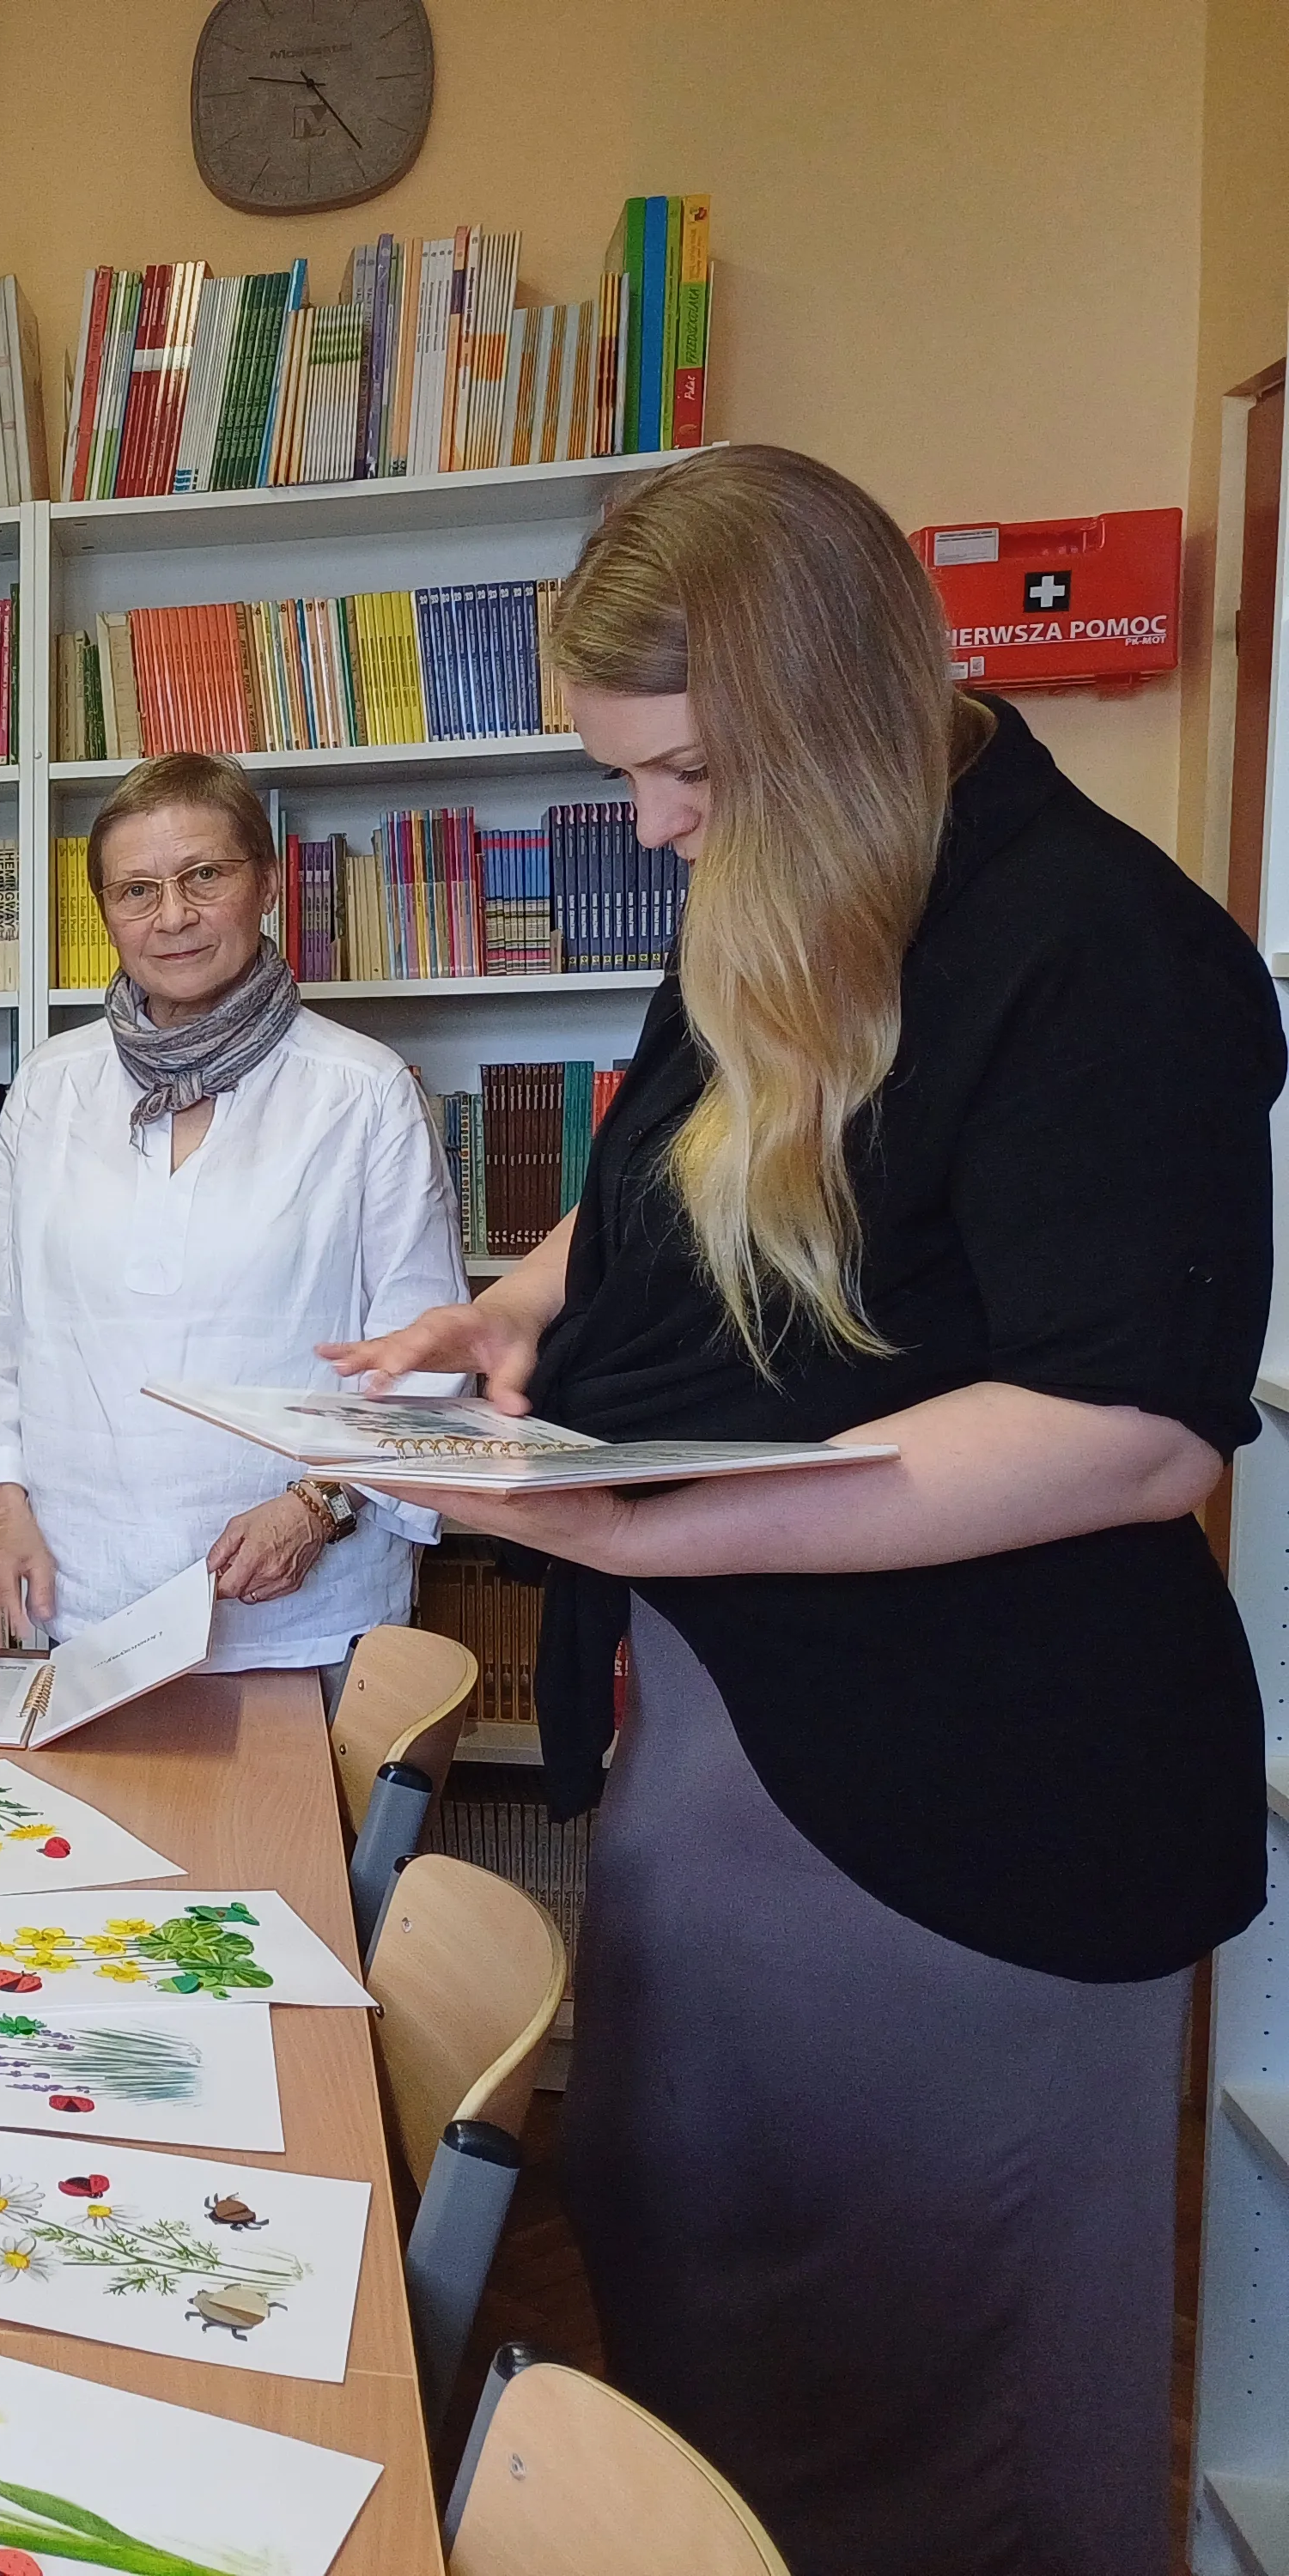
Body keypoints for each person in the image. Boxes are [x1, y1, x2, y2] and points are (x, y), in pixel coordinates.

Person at [329, 444, 1280, 2576]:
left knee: (927, 2400)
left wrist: (649, 1530)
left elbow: (1133, 1431)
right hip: (736, 1729)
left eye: (681, 771)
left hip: (971, 1793)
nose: (652, 826)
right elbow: (663, 1187)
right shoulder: (790, 882)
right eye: (626, 778)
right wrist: (508, 1308)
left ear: (828, 713)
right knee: (702, 2284)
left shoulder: (1100, 953)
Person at [0, 756, 463, 1679]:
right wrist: (2, 1513)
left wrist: (315, 1508)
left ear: (266, 883)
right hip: (84, 1590)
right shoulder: (52, 1084)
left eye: (204, 876)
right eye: (136, 890)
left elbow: (424, 1352)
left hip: (302, 1604)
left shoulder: (363, 1089)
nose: (172, 916)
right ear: (105, 912)